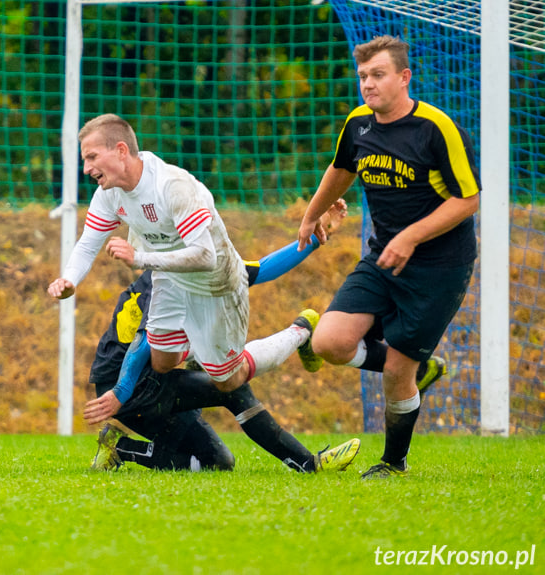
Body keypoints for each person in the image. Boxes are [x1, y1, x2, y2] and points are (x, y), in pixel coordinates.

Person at [297, 36, 480, 479]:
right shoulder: (359, 123)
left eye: (377, 75)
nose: (368, 85)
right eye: (363, 76)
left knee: (398, 370)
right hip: (383, 258)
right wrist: (311, 215)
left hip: (439, 266)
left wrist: (412, 237)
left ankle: (393, 462)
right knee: (328, 342)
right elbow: (341, 169)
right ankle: (422, 368)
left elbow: (469, 199)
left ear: (403, 77)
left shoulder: (436, 128)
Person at [86, 204, 361, 473]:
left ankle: (119, 447)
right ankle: (308, 464)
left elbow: (262, 268)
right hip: (127, 385)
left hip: (154, 380)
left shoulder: (206, 263)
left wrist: (315, 239)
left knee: (217, 461)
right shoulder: (169, 277)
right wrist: (120, 393)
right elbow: (143, 342)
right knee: (232, 386)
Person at [48, 114, 255, 394]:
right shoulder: (109, 193)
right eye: (85, 160)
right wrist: (70, 279)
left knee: (228, 380)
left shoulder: (171, 185)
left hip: (215, 284)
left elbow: (207, 257)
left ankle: (298, 332)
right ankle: (207, 351)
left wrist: (140, 259)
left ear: (121, 150)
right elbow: (87, 243)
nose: (86, 169)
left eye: (92, 157)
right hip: (170, 277)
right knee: (161, 362)